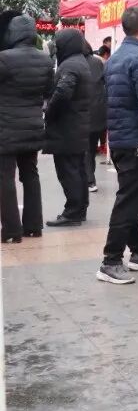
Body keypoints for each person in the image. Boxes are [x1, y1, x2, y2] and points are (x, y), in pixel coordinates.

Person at [96, 7, 138, 285]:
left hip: (121, 139)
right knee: (129, 200)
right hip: (137, 141)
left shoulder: (115, 58)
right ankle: (111, 260)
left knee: (132, 195)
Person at [0, 12, 54, 242]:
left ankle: (12, 231)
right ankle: (33, 226)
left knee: (5, 177)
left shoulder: (4, 59)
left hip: (6, 127)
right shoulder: (45, 60)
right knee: (30, 175)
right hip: (33, 126)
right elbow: (48, 92)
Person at [44, 29, 92, 228]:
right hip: (77, 126)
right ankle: (80, 208)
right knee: (78, 169)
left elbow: (63, 92)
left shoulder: (70, 65)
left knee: (68, 170)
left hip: (67, 128)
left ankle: (72, 211)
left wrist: (49, 111)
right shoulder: (81, 62)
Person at [84, 41, 107, 193]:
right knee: (91, 148)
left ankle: (89, 180)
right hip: (99, 112)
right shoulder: (99, 62)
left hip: (83, 112)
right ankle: (89, 178)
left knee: (85, 149)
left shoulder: (74, 63)